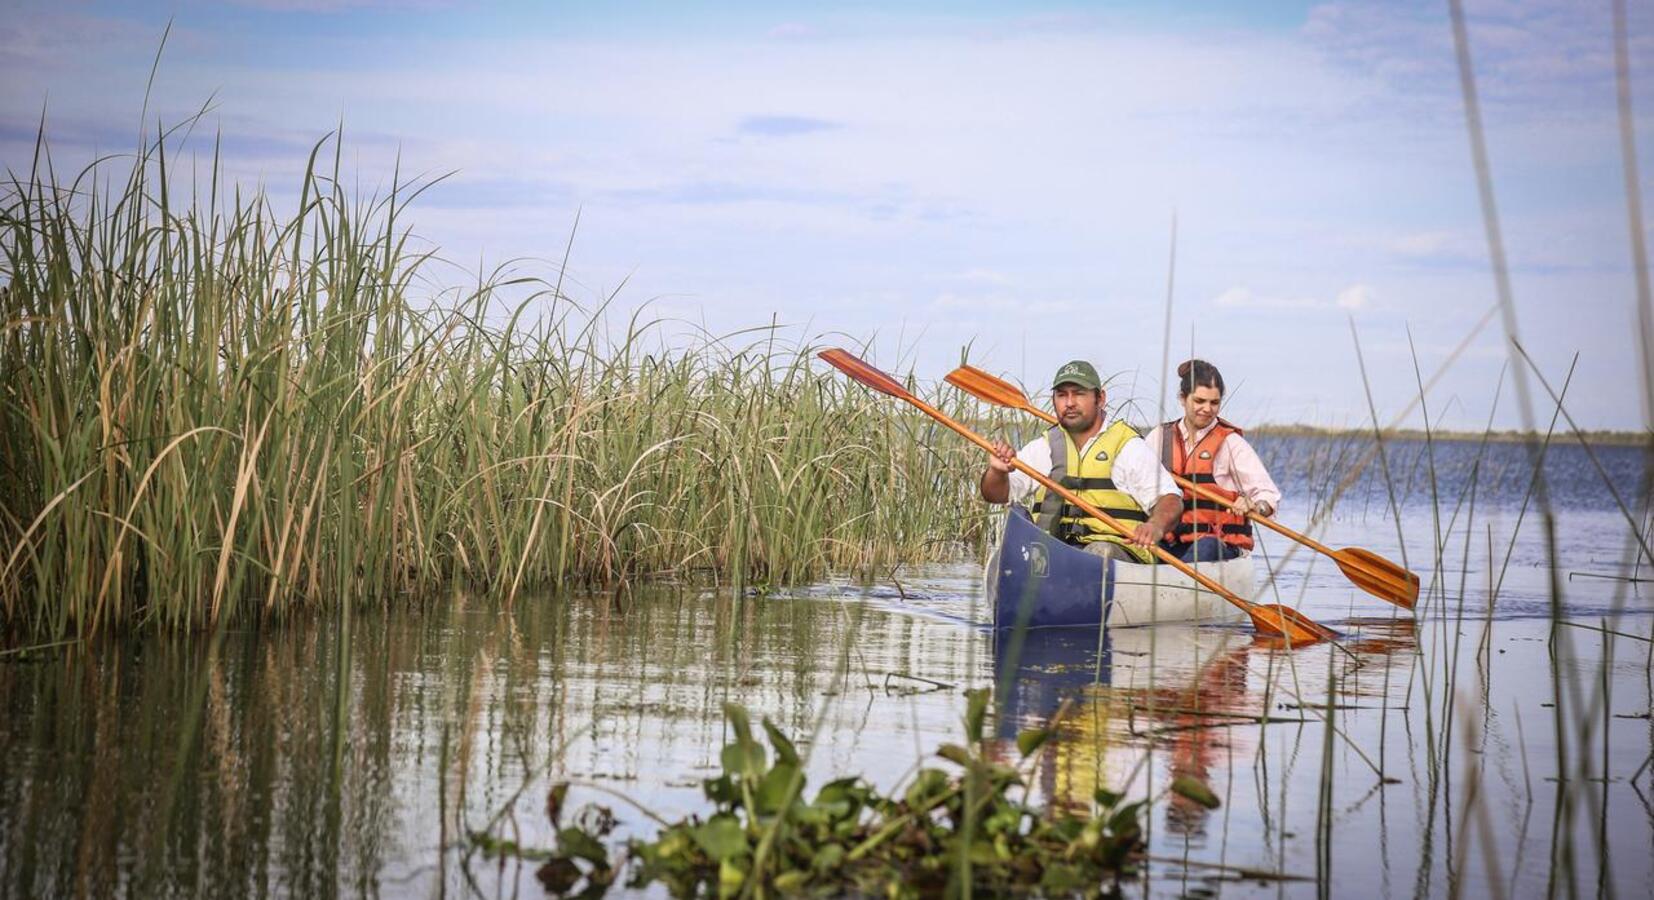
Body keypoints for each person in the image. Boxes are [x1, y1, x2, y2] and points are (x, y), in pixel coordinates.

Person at [980, 360, 1183, 564]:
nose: (1069, 403)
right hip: (1056, 550)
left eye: (1079, 394)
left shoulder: (1127, 445)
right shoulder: (1045, 446)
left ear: (1100, 398)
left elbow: (1170, 499)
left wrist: (1155, 525)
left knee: (1097, 552)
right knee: (1015, 550)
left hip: (1112, 554)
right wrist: (997, 472)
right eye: (1062, 395)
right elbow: (996, 495)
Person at [1144, 359, 1282, 563]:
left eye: (1214, 403)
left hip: (1217, 546)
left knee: (1207, 545)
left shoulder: (1230, 443)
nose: (1207, 409)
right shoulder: (1159, 437)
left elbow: (1268, 494)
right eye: (1199, 401)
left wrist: (1255, 506)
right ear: (1183, 398)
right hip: (1171, 543)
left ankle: (1179, 578)